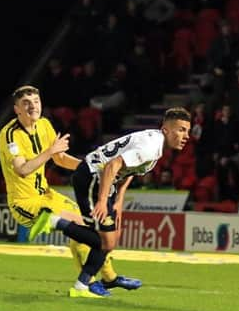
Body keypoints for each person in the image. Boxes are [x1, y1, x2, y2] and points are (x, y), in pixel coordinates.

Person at [28, 107, 191, 298]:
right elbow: (113, 165)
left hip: (101, 180)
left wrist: (119, 199)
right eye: (181, 129)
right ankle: (55, 223)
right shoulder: (151, 147)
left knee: (108, 241)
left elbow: (127, 170)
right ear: (166, 130)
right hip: (91, 178)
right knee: (103, 242)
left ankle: (86, 283)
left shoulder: (154, 142)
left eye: (187, 130)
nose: (186, 135)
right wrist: (103, 201)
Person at [0, 85, 141, 299]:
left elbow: (60, 158)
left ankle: (108, 278)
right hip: (25, 203)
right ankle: (87, 284)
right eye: (26, 103)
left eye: (35, 101)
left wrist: (91, 167)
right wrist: (50, 151)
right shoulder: (9, 136)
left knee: (91, 225)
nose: (32, 106)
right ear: (16, 109)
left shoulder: (44, 125)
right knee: (85, 228)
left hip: (47, 195)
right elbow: (23, 170)